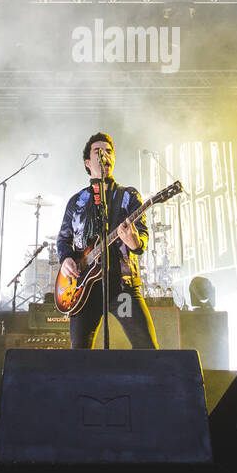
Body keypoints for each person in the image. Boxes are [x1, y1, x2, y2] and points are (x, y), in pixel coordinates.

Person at [57, 133, 158, 350]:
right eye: (98, 151)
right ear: (87, 162)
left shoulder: (128, 196)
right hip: (84, 290)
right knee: (80, 353)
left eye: (109, 152)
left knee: (147, 349)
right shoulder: (76, 201)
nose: (105, 155)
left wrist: (133, 241)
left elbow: (141, 236)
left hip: (121, 287)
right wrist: (65, 259)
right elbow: (63, 239)